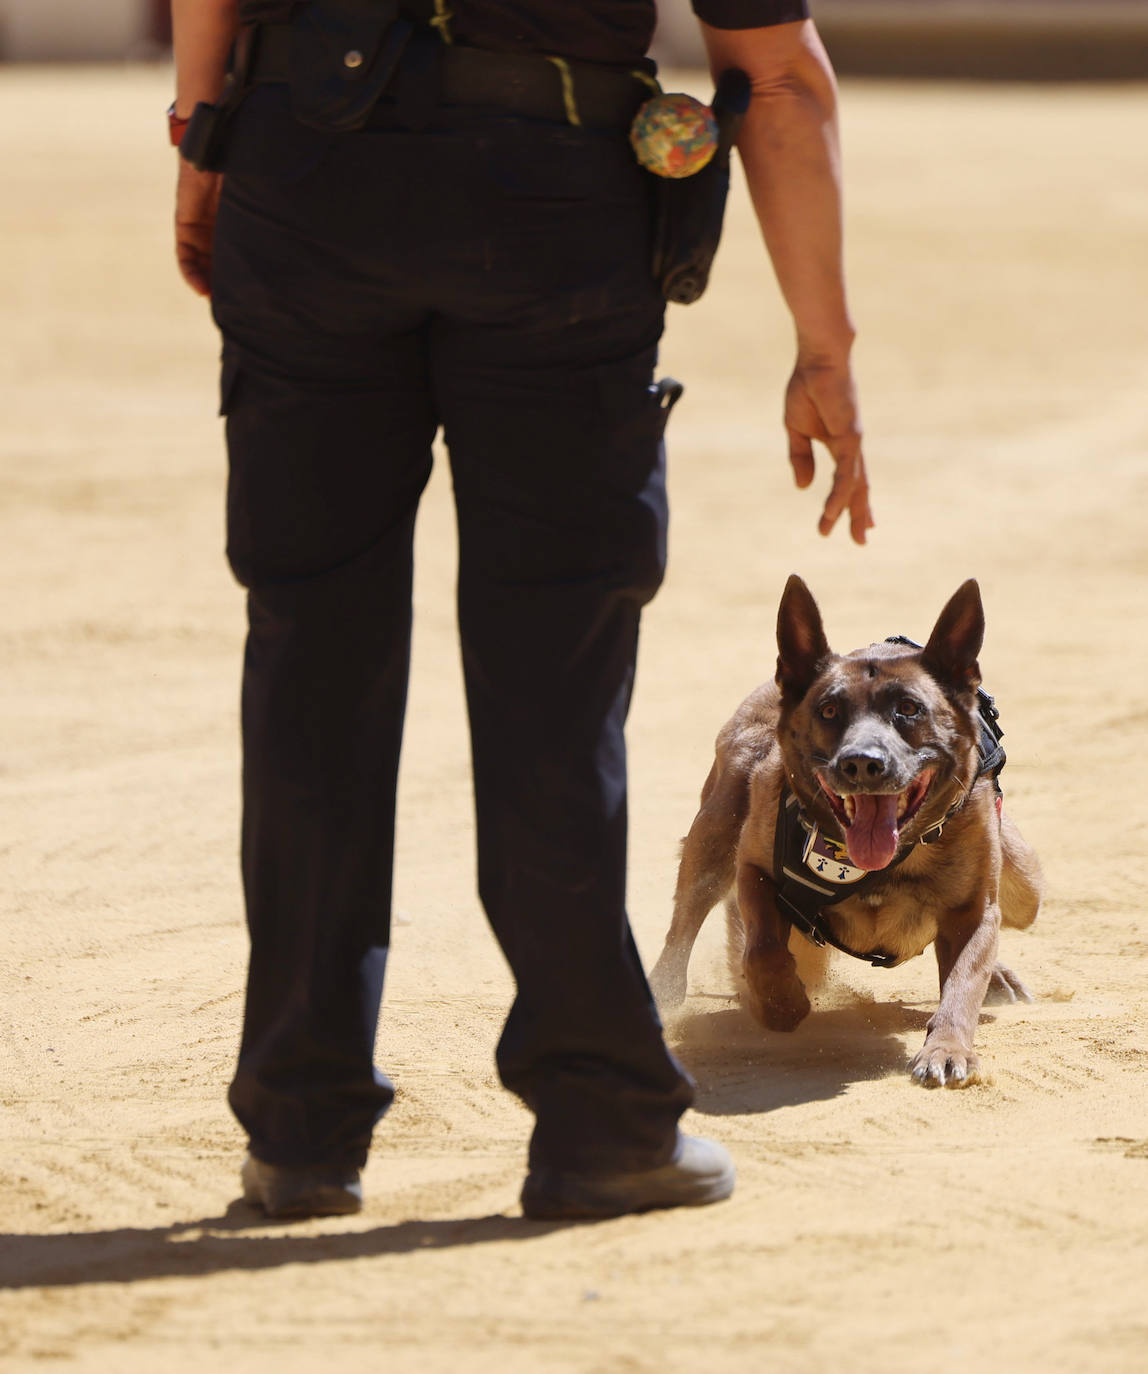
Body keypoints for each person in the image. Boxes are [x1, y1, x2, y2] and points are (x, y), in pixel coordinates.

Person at [170, 0, 871, 1222]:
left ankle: (298, 1127)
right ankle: (598, 1120)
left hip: (305, 173)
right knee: (553, 685)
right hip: (552, 203)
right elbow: (777, 77)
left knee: (308, 668)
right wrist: (824, 346)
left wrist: (203, 134)